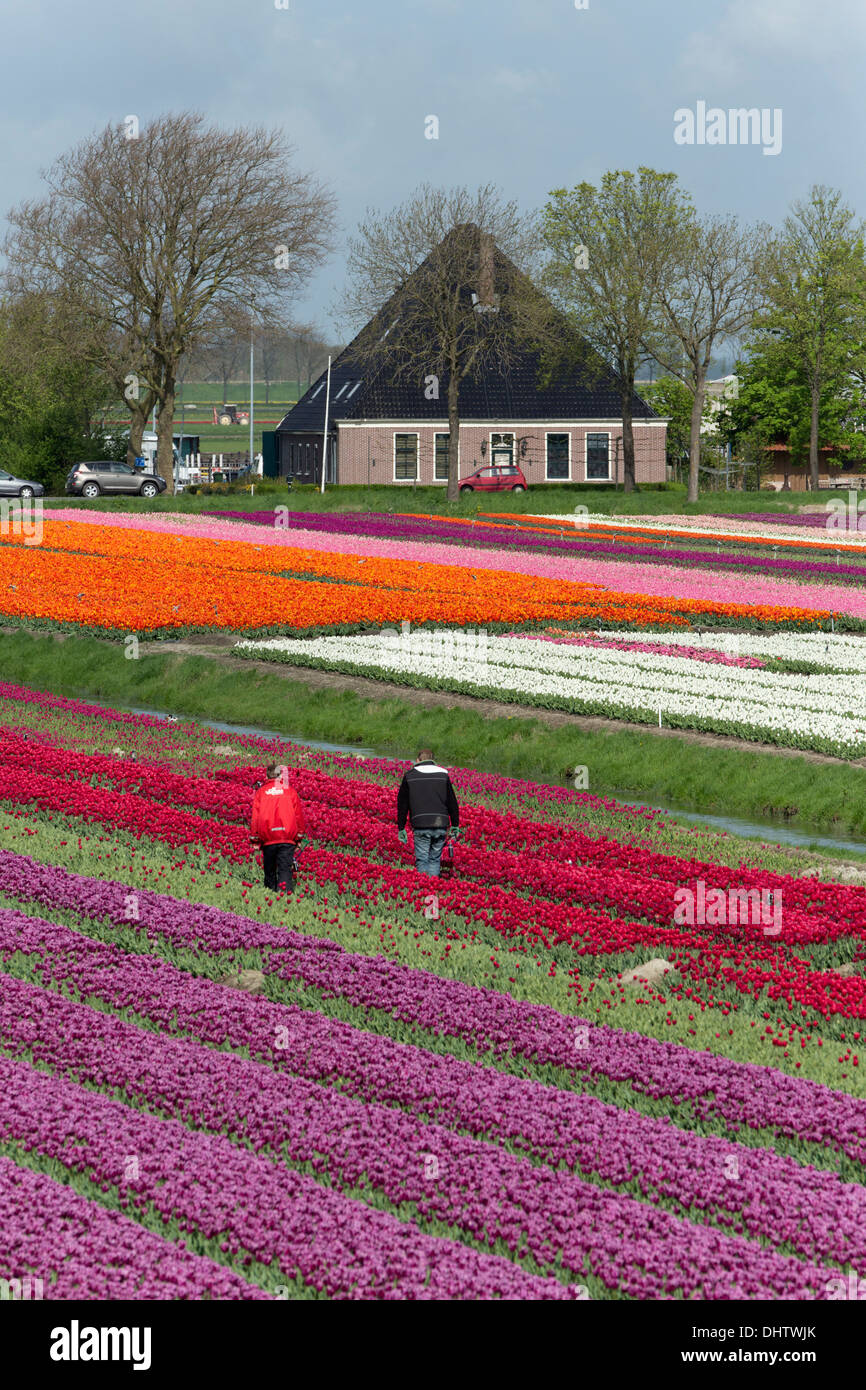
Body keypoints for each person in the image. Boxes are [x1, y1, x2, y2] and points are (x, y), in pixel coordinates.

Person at [396, 749, 460, 877]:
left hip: (421, 824)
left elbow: (402, 804)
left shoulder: (410, 775)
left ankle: (424, 889)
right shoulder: (443, 775)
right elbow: (452, 802)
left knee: (422, 859)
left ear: (418, 760)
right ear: (433, 760)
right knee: (435, 860)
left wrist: (401, 827)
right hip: (441, 823)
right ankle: (433, 888)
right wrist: (455, 824)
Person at [250, 763, 306, 892]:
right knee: (285, 871)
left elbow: (255, 818)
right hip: (287, 838)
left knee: (269, 871)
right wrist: (298, 838)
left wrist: (255, 840)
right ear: (280, 775)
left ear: (266, 775)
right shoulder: (290, 791)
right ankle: (285, 900)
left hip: (268, 838)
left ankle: (270, 896)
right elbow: (298, 817)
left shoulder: (261, 793)